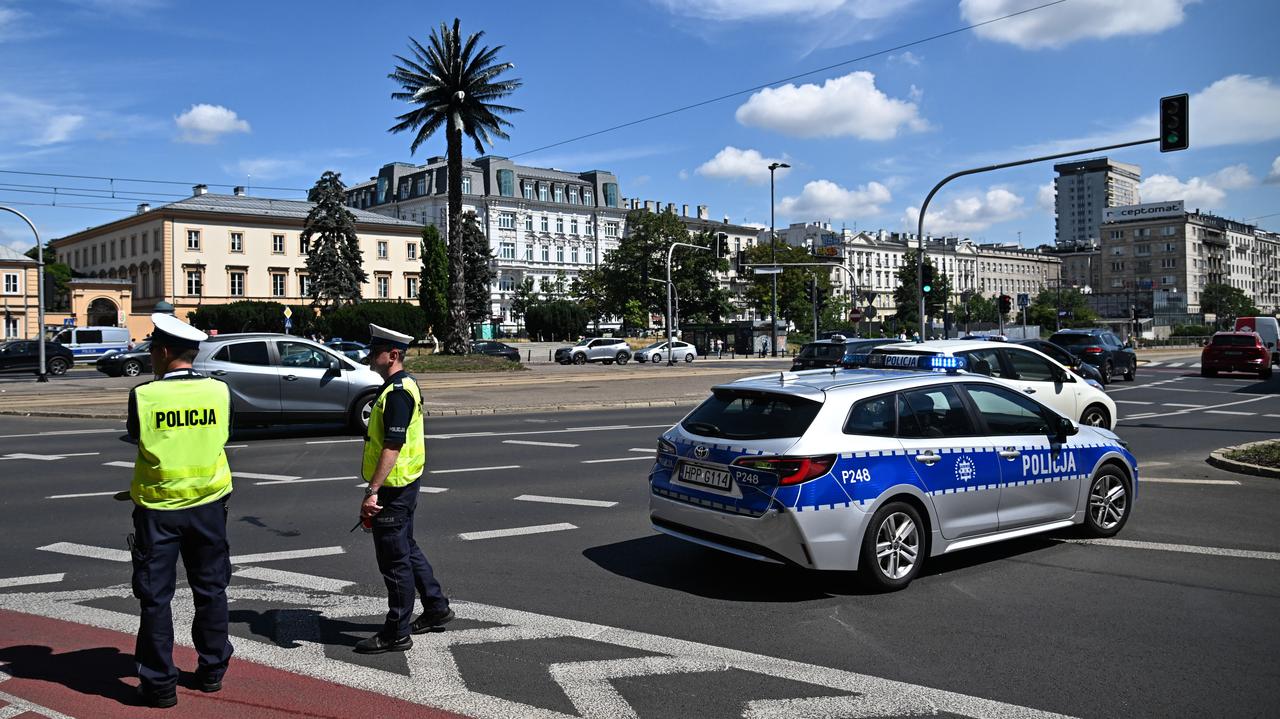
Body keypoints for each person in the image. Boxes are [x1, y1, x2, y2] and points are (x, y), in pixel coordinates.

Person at [125, 313, 234, 709]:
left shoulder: (145, 395)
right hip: (208, 506)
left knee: (155, 598)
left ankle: (158, 686)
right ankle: (211, 672)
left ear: (165, 351)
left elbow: (137, 437)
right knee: (211, 589)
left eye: (153, 348)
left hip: (159, 509)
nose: (151, 355)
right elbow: (224, 435)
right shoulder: (219, 391)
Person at [355, 323, 453, 654]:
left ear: (392, 355)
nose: (370, 357)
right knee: (407, 548)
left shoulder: (398, 393)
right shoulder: (405, 384)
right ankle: (436, 606)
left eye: (375, 352)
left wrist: (372, 491)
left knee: (394, 562)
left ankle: (397, 631)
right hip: (405, 484)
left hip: (394, 489)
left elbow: (392, 446)